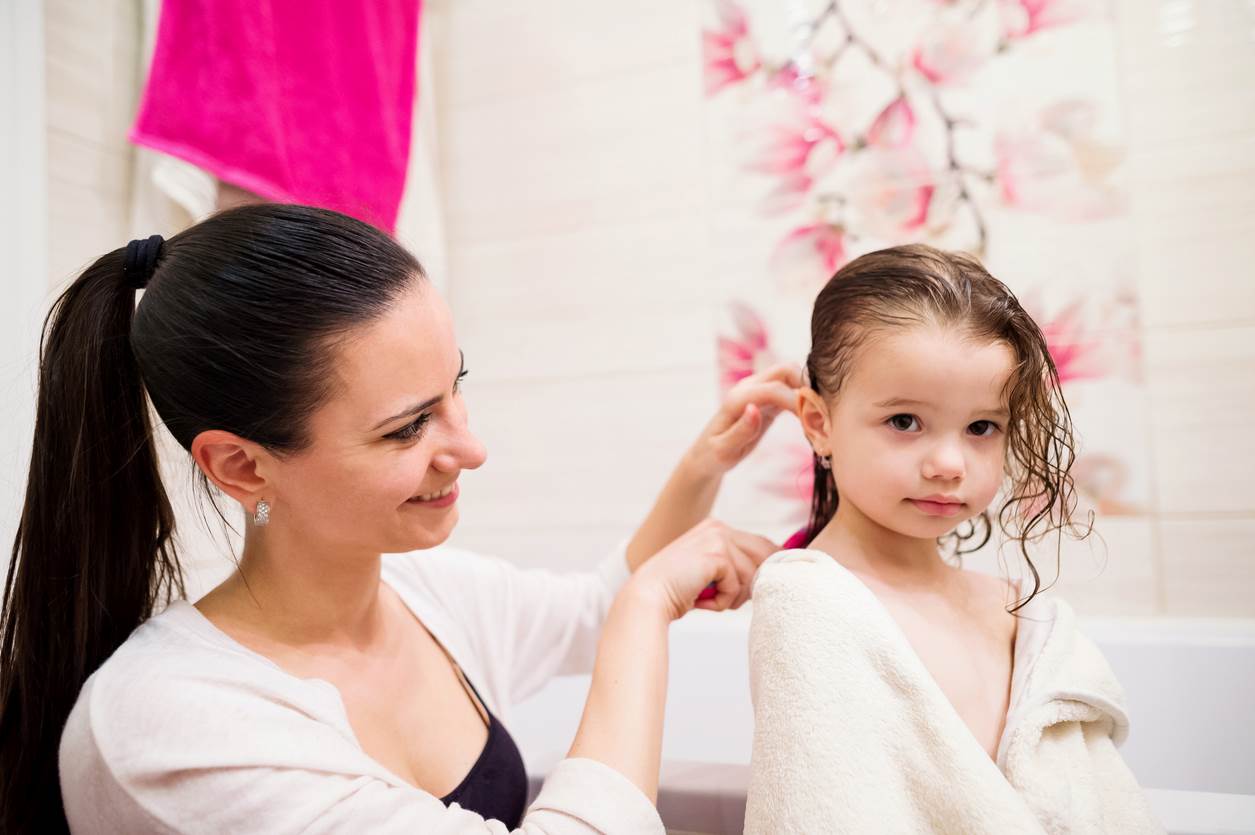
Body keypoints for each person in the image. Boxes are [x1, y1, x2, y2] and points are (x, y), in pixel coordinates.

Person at [0, 204, 801, 833]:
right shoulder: (170, 725)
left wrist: (705, 466)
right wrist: (648, 605)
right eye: (408, 426)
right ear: (242, 465)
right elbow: (623, 614)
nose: (471, 447)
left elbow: (592, 613)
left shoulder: (425, 594)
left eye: (457, 387)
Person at [744, 244, 1161, 833]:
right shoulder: (813, 604)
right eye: (905, 422)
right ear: (819, 423)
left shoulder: (1020, 615)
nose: (949, 463)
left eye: (981, 427)